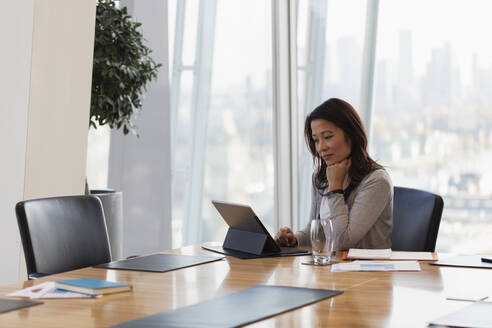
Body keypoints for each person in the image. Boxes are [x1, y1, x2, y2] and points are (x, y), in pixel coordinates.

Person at [275, 98, 393, 251]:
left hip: (367, 272)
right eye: (316, 140)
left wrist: (336, 188)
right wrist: (294, 239)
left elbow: (342, 242)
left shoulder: (377, 181)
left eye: (328, 137)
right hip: (332, 268)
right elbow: (317, 230)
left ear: (351, 134)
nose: (321, 147)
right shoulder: (320, 177)